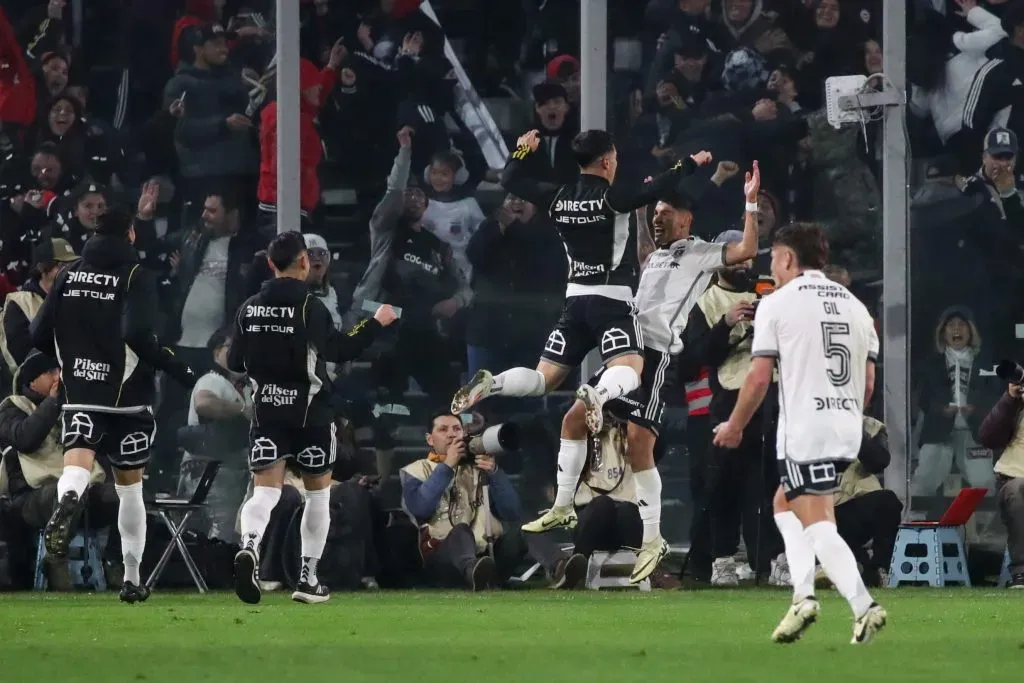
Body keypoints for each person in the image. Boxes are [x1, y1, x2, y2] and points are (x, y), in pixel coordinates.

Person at [521, 163, 761, 585]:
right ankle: (562, 508)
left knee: (637, 444)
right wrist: (640, 199)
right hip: (626, 352)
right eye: (655, 214)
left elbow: (745, 250)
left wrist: (751, 202)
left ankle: (653, 540)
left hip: (656, 359)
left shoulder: (700, 253)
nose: (657, 218)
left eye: (664, 213)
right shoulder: (653, 258)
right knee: (572, 419)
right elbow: (640, 237)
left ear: (685, 218)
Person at [712, 222, 887, 644]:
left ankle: (865, 606)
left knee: (818, 523)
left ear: (788, 258)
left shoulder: (779, 302)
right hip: (847, 428)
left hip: (805, 430)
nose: (772, 266)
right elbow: (867, 384)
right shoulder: (855, 305)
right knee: (784, 506)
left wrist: (735, 425)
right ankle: (802, 597)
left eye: (773, 258)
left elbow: (757, 378)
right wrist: (843, 415)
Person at [28, 206, 197, 604]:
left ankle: (69, 496)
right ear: (131, 235)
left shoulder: (68, 274)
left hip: (81, 396)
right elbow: (138, 333)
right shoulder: (136, 275)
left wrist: (72, 357)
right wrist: (179, 369)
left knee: (77, 464)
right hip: (127, 399)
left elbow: (38, 334)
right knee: (130, 490)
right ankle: (132, 580)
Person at [227, 231, 398, 606]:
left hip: (267, 413)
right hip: (312, 416)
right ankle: (308, 579)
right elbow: (340, 348)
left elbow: (235, 363)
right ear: (303, 262)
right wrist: (376, 323)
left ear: (271, 263)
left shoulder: (249, 307)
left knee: (266, 492)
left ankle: (250, 548)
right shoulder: (310, 307)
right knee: (318, 497)